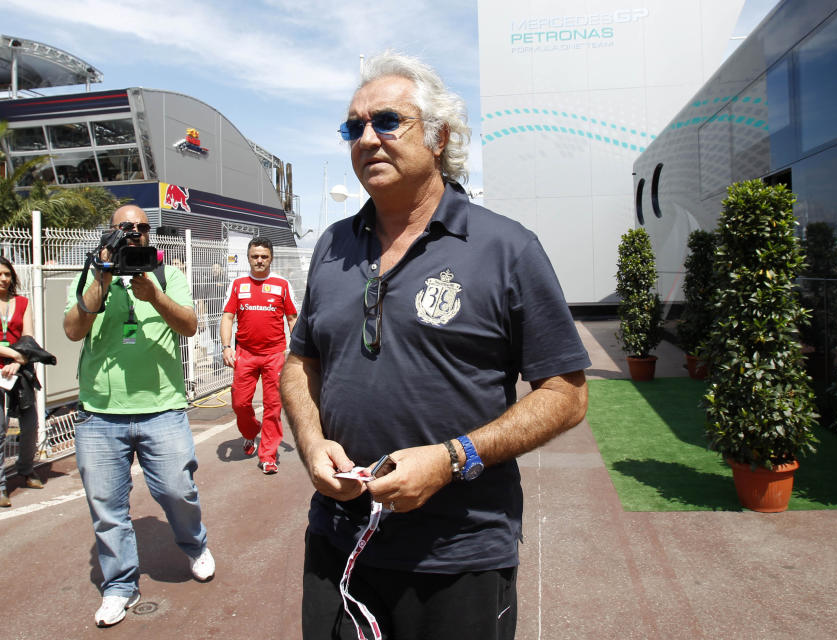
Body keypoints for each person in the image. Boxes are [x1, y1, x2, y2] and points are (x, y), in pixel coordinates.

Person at [280, 51, 590, 640]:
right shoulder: (331, 247)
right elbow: (301, 363)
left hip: (459, 554)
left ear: (440, 137)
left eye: (388, 121)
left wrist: (452, 460)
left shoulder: (506, 249)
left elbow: (566, 394)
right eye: (354, 127)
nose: (367, 138)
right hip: (338, 542)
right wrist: (311, 441)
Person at [63, 205, 215, 628]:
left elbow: (189, 325)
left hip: (162, 408)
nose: (133, 233)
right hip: (101, 414)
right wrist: (104, 277)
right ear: (110, 232)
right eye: (124, 227)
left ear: (150, 234)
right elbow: (74, 329)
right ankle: (119, 586)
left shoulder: (168, 275)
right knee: (107, 508)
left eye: (141, 228)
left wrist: (156, 296)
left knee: (177, 490)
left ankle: (194, 544)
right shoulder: (93, 276)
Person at [220, 238, 297, 474]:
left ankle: (268, 455)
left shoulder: (282, 284)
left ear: (271, 257)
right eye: (255, 256)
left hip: (275, 354)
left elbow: (292, 318)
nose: (259, 260)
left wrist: (296, 351)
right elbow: (227, 317)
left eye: (264, 256)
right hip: (245, 354)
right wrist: (226, 346)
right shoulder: (238, 284)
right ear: (248, 257)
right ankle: (250, 432)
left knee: (273, 407)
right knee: (240, 403)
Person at [0, 256, 44, 508]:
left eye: (7, 274)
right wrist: (11, 354)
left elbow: (28, 336)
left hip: (20, 370)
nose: (4, 279)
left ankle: (26, 470)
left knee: (30, 424)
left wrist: (19, 359)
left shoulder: (22, 302)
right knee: (0, 428)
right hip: (4, 367)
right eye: (0, 275)